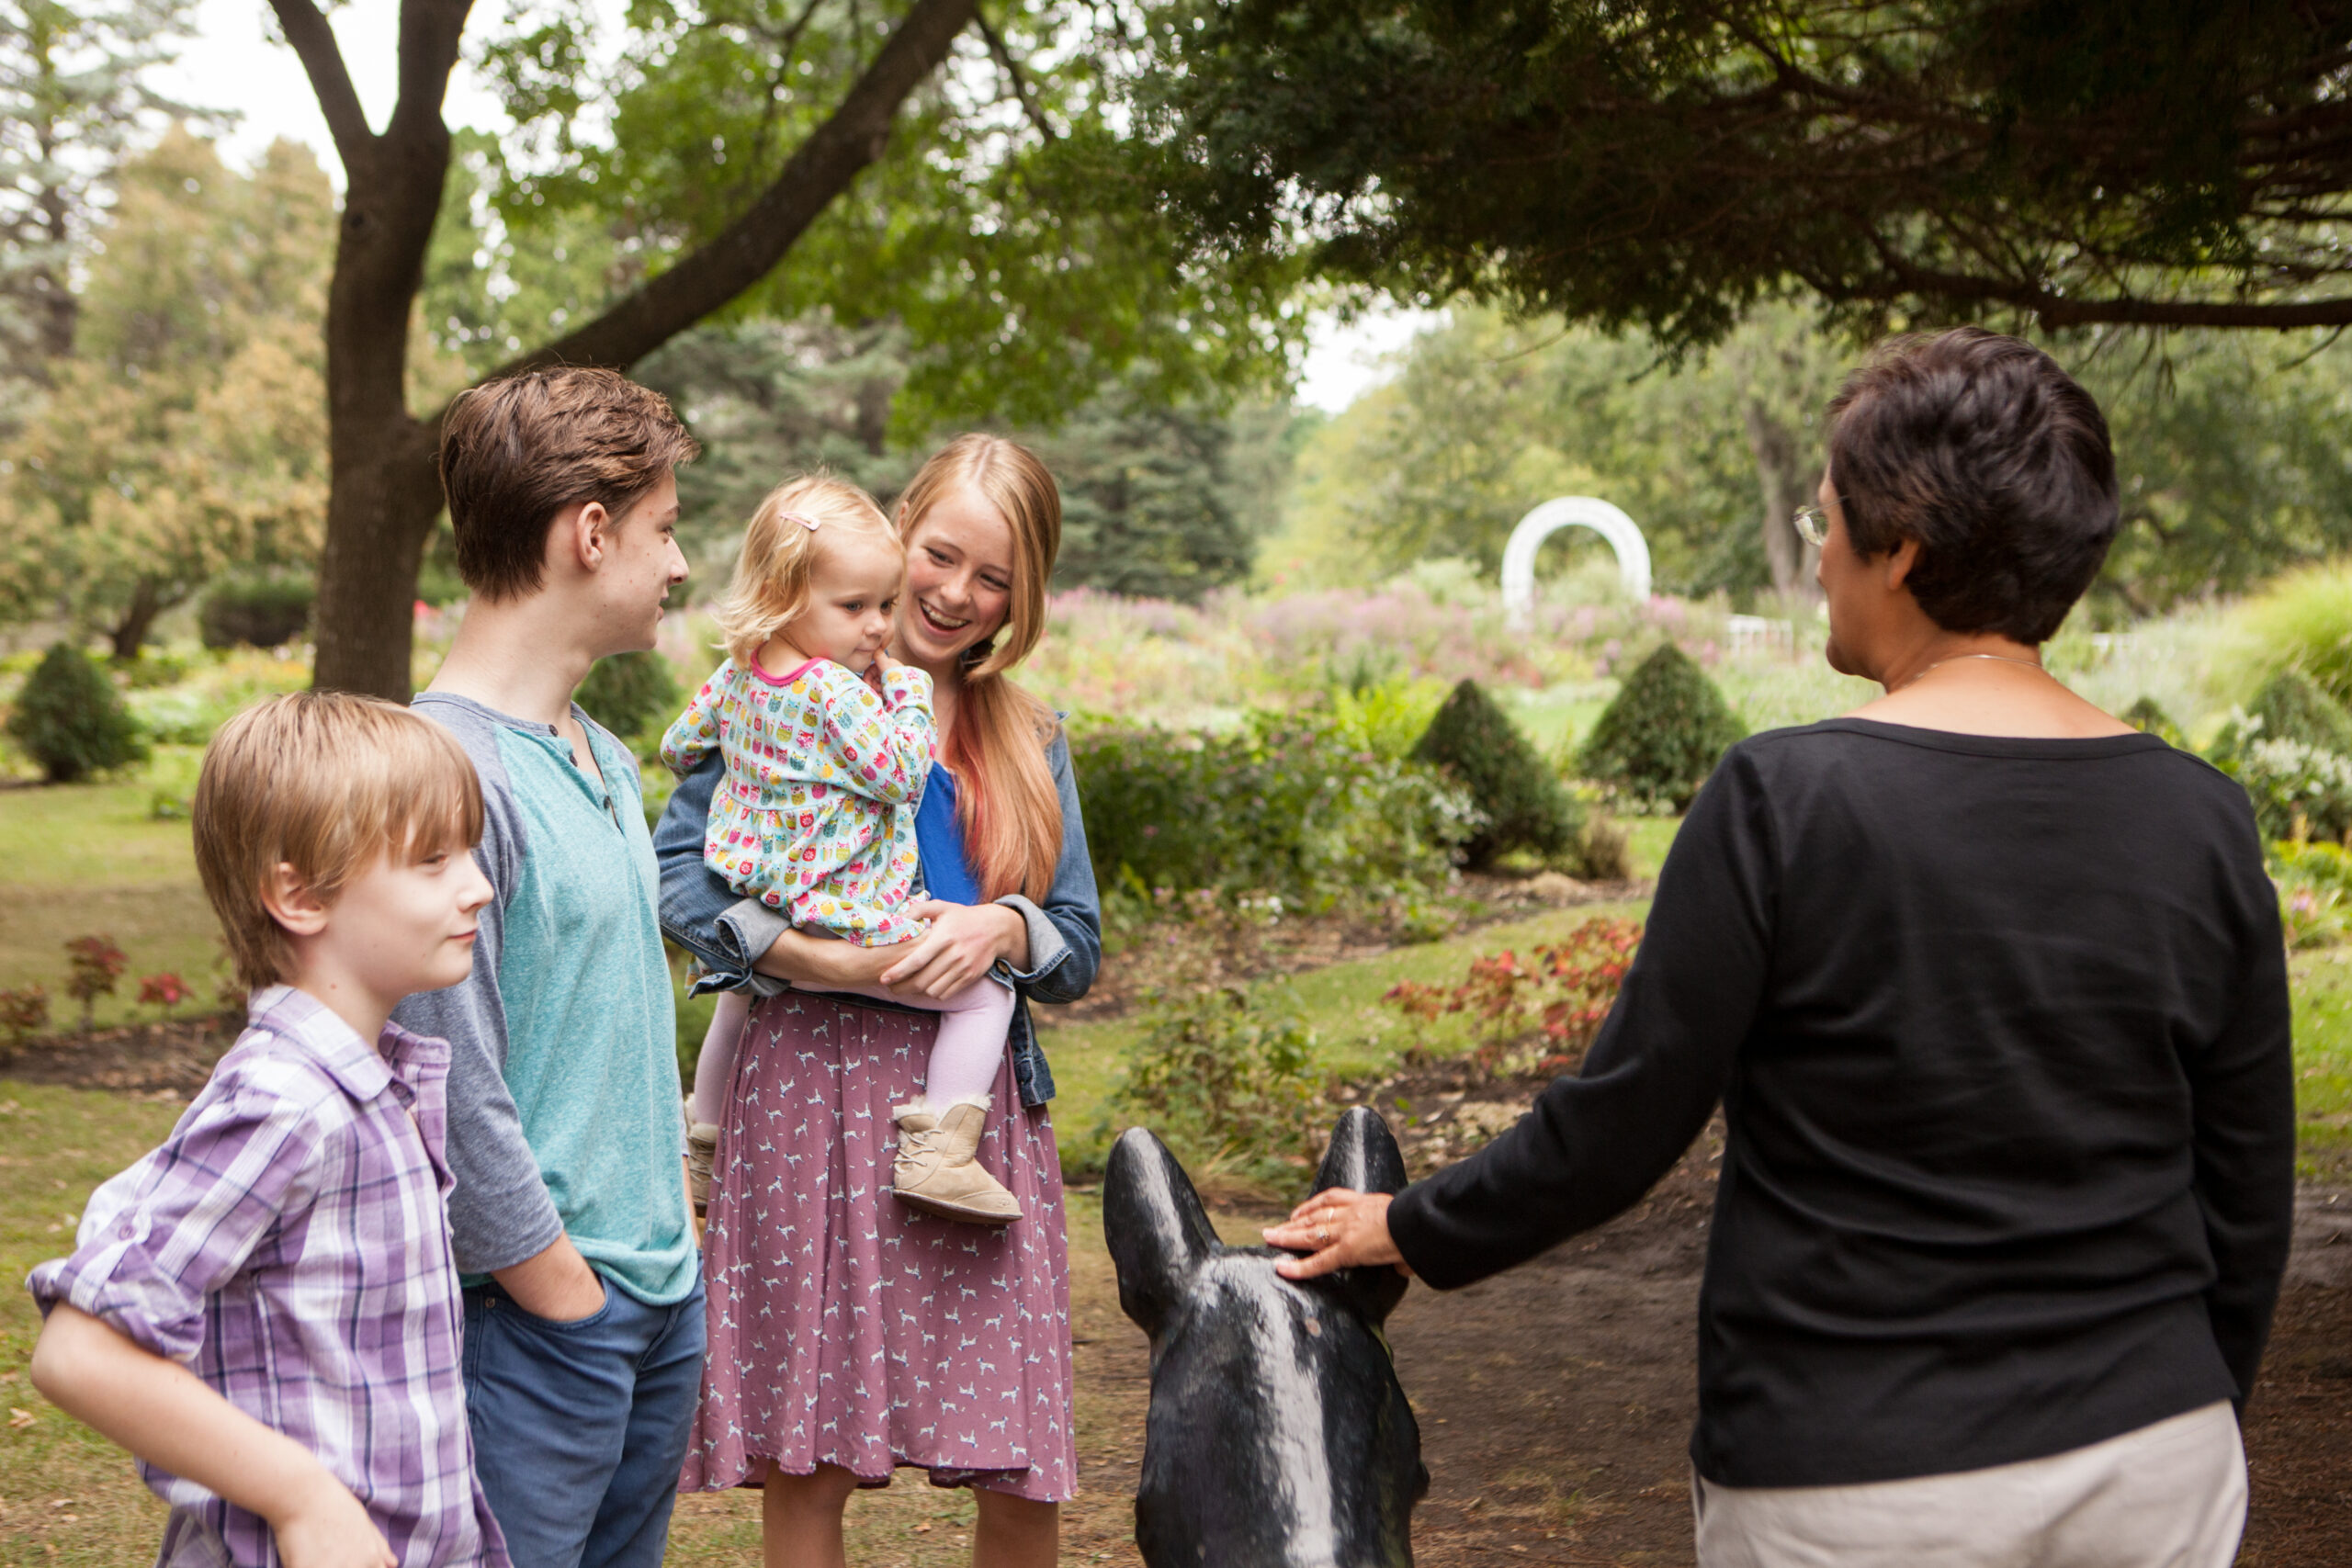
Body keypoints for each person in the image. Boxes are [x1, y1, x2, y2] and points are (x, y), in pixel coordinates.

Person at [1270, 328, 2295, 1568]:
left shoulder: (1785, 797)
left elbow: (1623, 1122)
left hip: (1855, 1471)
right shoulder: (2201, 812)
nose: (1820, 561)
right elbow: (2246, 1185)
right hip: (2155, 1457)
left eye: (1827, 524)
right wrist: (2185, 1400)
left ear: (1900, 547)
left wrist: (1413, 1226)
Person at [659, 433, 1098, 1568]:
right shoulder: (778, 696)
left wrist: (1005, 925)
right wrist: (816, 959)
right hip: (804, 1093)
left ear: (1023, 593)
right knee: (807, 1451)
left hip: (967, 1127)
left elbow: (1080, 944)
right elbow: (678, 879)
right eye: (942, 555)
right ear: (900, 534)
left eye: (993, 577)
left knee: (1013, 1448)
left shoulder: (1029, 738)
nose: (956, 593)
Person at [27, 692, 505, 1568]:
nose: (477, 884)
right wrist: (304, 1499)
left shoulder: (375, 1084)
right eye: (434, 859)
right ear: (298, 893)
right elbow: (80, 1351)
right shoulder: (287, 1101)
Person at [391, 367, 706, 1568]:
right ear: (589, 534)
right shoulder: (439, 772)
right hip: (534, 1319)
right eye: (664, 527)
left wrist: (667, 1277)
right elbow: (446, 1083)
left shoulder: (606, 756)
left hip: (652, 1295)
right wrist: (566, 1292)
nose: (679, 563)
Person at [668, 474, 1020, 1225]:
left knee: (739, 988)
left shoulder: (737, 673)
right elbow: (898, 773)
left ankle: (703, 1138)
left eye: (883, 606)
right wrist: (910, 692)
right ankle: (938, 1151)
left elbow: (679, 742)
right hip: (842, 903)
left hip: (764, 888)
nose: (878, 630)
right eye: (856, 607)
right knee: (987, 993)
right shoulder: (838, 691)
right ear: (787, 594)